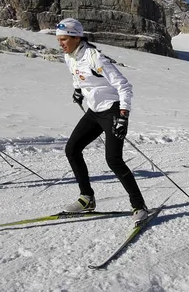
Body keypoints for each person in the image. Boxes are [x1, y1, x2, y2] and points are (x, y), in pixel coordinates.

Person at [56, 18, 148, 223]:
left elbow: (124, 86)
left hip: (113, 110)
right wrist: (78, 90)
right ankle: (86, 198)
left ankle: (139, 205)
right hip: (95, 111)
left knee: (113, 160)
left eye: (63, 39)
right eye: (58, 39)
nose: (60, 43)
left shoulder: (94, 57)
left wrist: (123, 116)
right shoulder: (69, 56)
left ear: (76, 37)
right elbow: (76, 75)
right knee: (72, 149)